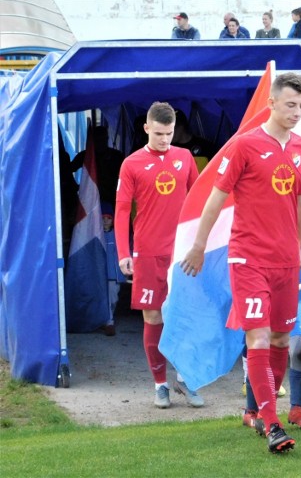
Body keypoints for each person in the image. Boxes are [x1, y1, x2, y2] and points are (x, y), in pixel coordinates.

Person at [180, 73, 301, 454]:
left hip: (287, 260)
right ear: (271, 103)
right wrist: (199, 245)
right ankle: (272, 424)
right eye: (290, 105)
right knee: (258, 337)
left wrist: (299, 245)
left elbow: (300, 200)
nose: (296, 113)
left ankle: (255, 411)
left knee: (282, 339)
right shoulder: (245, 145)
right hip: (248, 257)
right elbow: (216, 198)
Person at [115, 102, 203, 409]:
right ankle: (160, 384)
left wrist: (202, 244)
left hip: (181, 255)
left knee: (184, 316)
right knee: (153, 317)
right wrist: (124, 253)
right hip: (149, 253)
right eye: (160, 133)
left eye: (169, 133)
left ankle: (186, 379)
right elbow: (122, 210)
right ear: (147, 129)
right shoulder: (132, 164)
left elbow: (198, 204)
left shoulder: (184, 158)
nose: (165, 139)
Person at [243, 322, 301, 432]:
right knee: (259, 349)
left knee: (299, 351)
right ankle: (252, 411)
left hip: (285, 308)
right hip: (262, 309)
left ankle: (296, 409)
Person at [73, 125, 125, 209]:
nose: (101, 143)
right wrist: (76, 186)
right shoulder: (85, 155)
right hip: (91, 198)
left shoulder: (117, 156)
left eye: (103, 139)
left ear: (107, 139)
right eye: (98, 140)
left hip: (112, 197)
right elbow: (69, 169)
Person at [101, 201, 126, 337]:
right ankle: (108, 322)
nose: (105, 221)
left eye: (108, 218)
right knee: (101, 298)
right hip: (100, 274)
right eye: (103, 218)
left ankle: (108, 318)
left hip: (114, 274)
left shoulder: (118, 235)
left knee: (113, 298)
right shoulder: (96, 236)